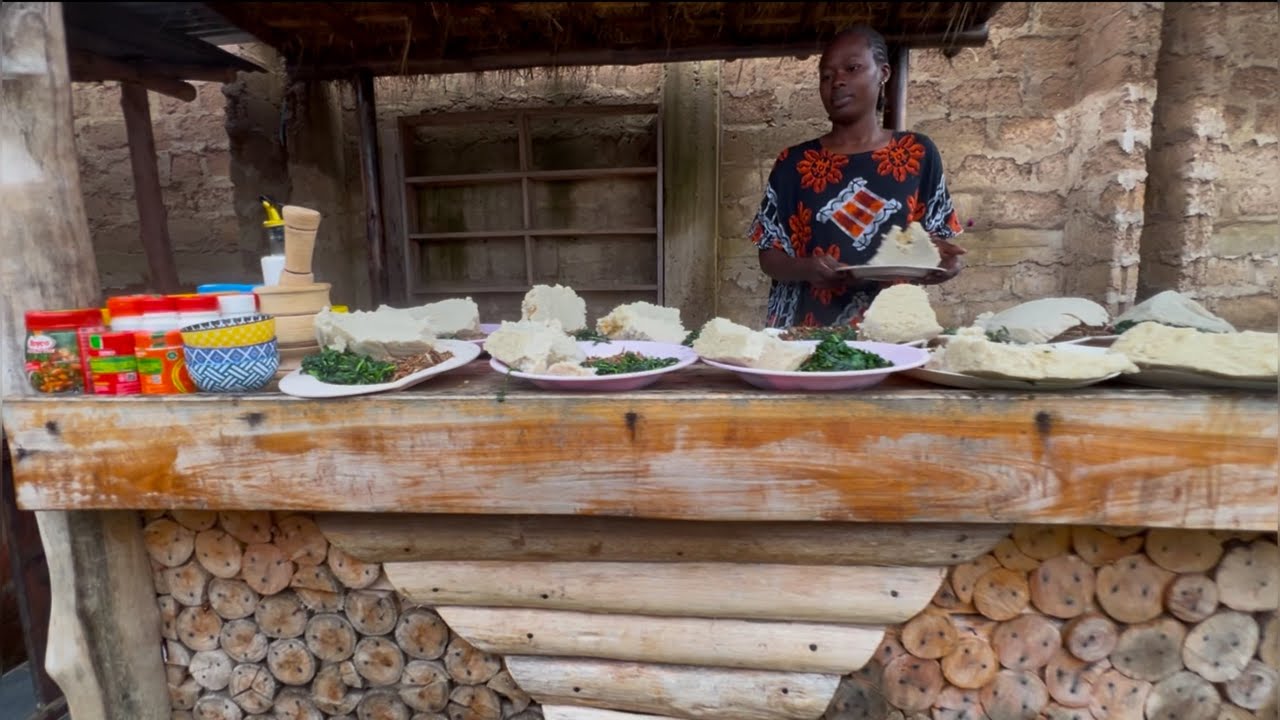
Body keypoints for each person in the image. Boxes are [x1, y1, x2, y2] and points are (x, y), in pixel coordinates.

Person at [749, 25, 967, 329]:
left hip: (893, 331)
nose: (837, 81)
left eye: (852, 68)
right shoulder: (795, 163)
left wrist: (947, 263)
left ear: (884, 73)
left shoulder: (917, 153)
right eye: (826, 76)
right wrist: (806, 268)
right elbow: (768, 256)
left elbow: (934, 243)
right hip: (806, 332)